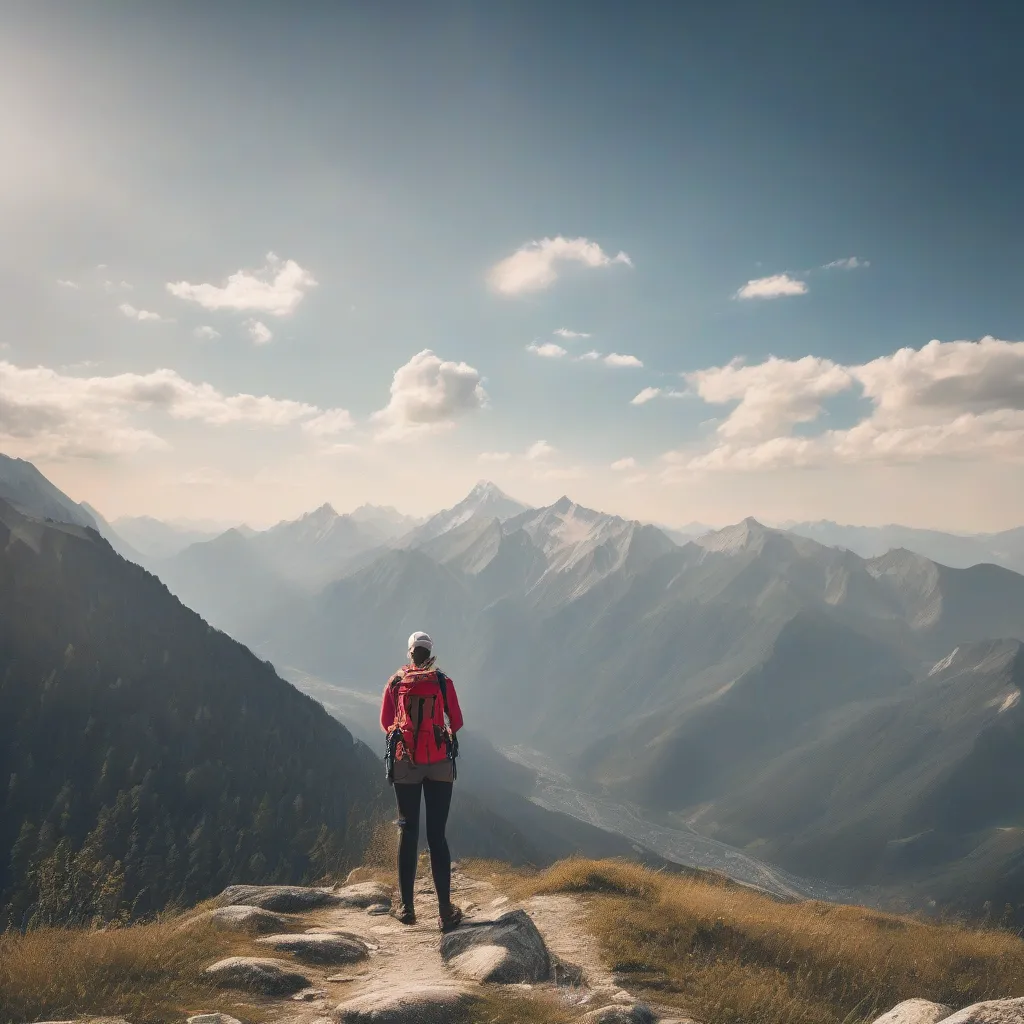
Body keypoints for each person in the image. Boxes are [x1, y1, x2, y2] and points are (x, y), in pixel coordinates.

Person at [380, 630, 464, 932]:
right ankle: (444, 912)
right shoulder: (442, 681)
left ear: (409, 652)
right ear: (430, 653)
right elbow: (457, 721)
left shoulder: (395, 682)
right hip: (440, 763)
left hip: (406, 763)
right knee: (437, 836)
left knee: (408, 830)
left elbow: (385, 722)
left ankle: (406, 908)